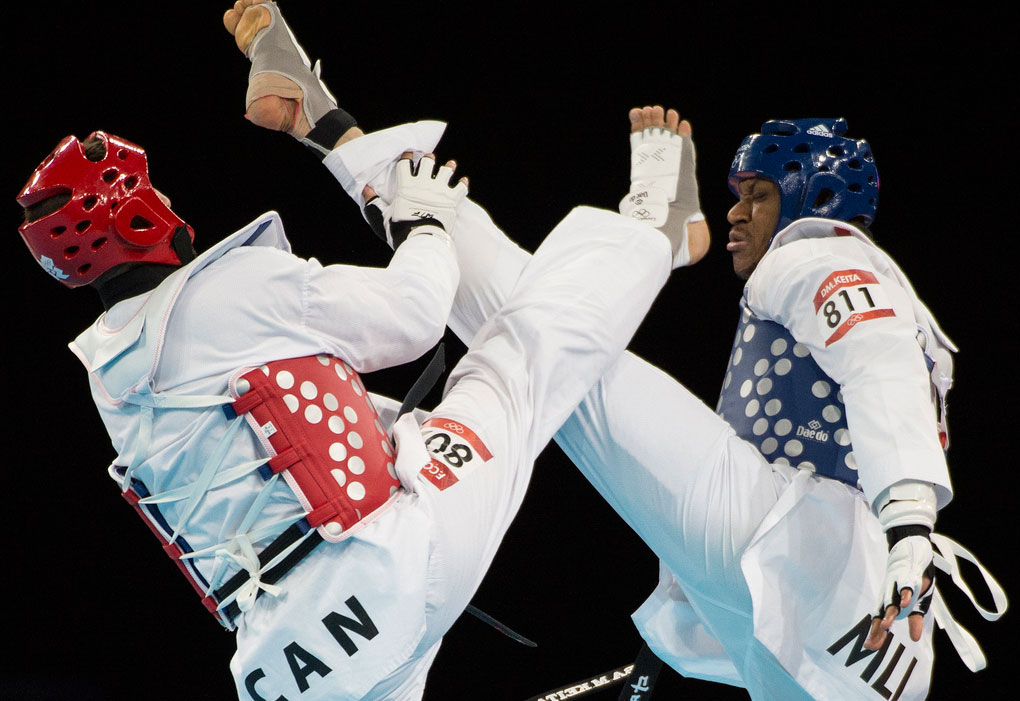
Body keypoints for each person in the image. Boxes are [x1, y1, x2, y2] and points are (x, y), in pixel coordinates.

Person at [220, 3, 1007, 698]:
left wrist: (909, 530)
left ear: (817, 201)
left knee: (548, 342)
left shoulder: (821, 255)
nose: (740, 213)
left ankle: (644, 228)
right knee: (545, 340)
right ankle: (634, 229)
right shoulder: (865, 288)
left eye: (757, 196)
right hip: (844, 628)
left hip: (829, 563)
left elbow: (880, 366)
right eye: (736, 195)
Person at [15, 6, 694, 699]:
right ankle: (652, 228)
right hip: (385, 573)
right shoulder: (229, 291)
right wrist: (425, 225)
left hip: (281, 664)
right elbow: (416, 315)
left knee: (440, 414)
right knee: (510, 363)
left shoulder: (108, 376)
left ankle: (324, 119)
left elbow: (285, 422)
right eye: (151, 190)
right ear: (134, 214)